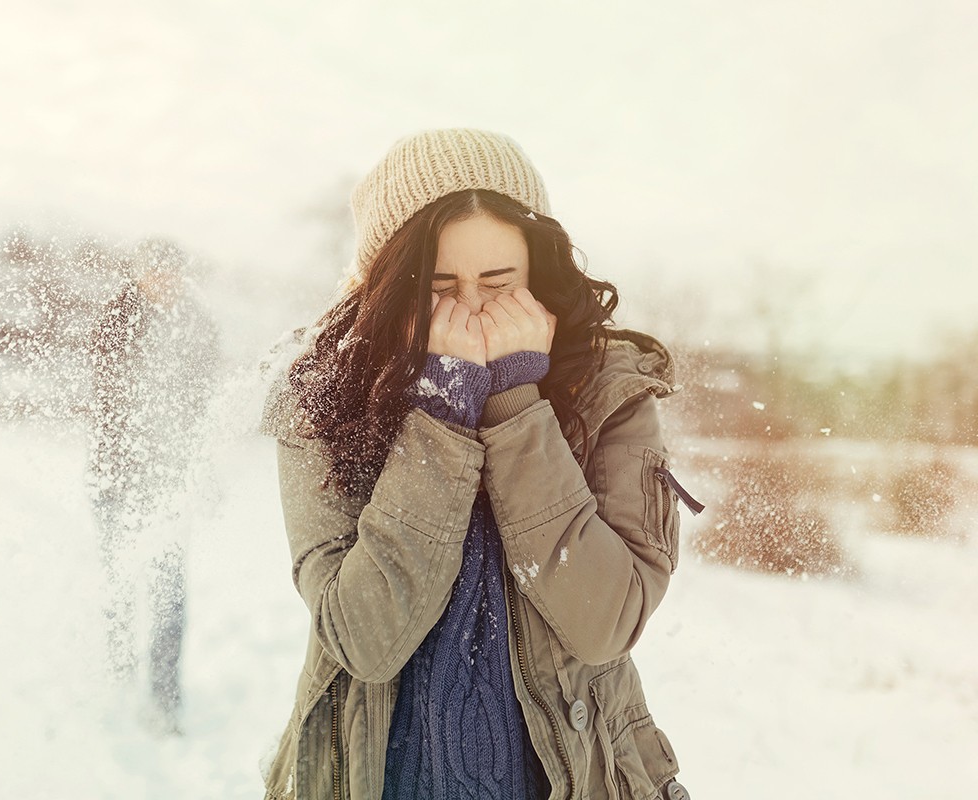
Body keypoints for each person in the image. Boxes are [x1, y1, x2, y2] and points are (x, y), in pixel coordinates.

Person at [261, 129, 698, 799]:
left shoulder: (609, 389)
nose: (469, 309)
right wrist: (443, 411)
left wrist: (517, 405)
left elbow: (604, 621)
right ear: (388, 286)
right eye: (438, 287)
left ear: (538, 273)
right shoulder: (325, 402)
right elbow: (366, 640)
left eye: (498, 283)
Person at [86, 238, 219, 735]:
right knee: (119, 583)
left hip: (167, 484)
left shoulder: (198, 326)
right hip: (117, 477)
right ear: (139, 273)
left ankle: (164, 700)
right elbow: (109, 399)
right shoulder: (116, 320)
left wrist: (198, 471)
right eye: (153, 271)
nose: (162, 281)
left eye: (170, 272)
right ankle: (117, 676)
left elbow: (207, 404)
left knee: (169, 593)